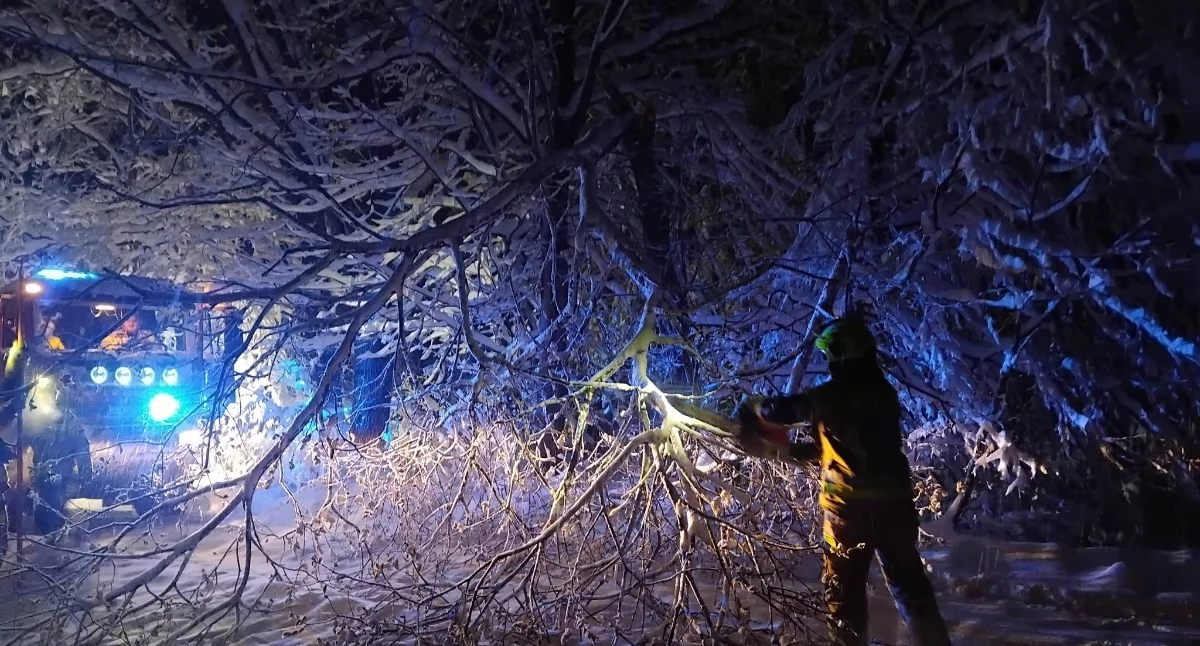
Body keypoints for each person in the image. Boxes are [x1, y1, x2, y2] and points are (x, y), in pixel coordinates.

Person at [734, 315, 952, 646]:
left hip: (848, 513)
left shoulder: (835, 393)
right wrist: (791, 451)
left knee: (843, 596)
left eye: (830, 354)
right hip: (896, 508)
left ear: (842, 353)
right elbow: (845, 448)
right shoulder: (883, 393)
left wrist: (756, 407)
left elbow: (786, 410)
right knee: (910, 586)